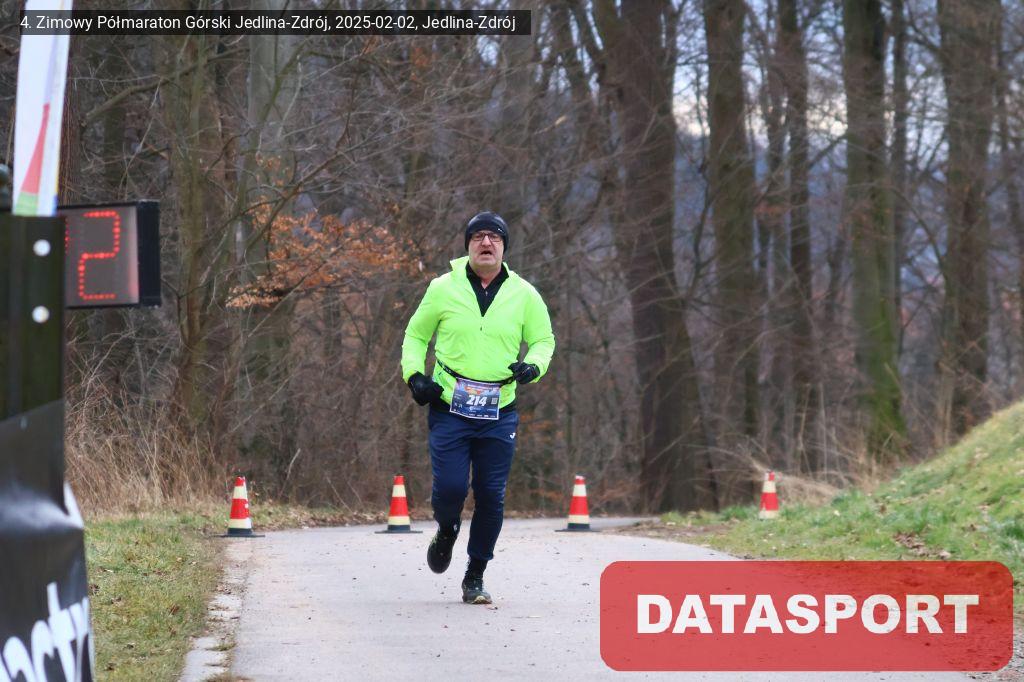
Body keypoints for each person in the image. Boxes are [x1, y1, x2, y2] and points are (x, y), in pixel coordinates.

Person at [400, 211, 555, 604]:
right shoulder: (442, 288)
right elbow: (416, 335)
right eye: (478, 237)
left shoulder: (525, 294)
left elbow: (543, 340)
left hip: (499, 410)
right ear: (468, 245)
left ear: (504, 247)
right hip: (450, 406)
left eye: (494, 237)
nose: (486, 243)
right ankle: (447, 529)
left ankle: (475, 575)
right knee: (451, 489)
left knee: (491, 494)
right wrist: (415, 376)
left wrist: (533, 366)